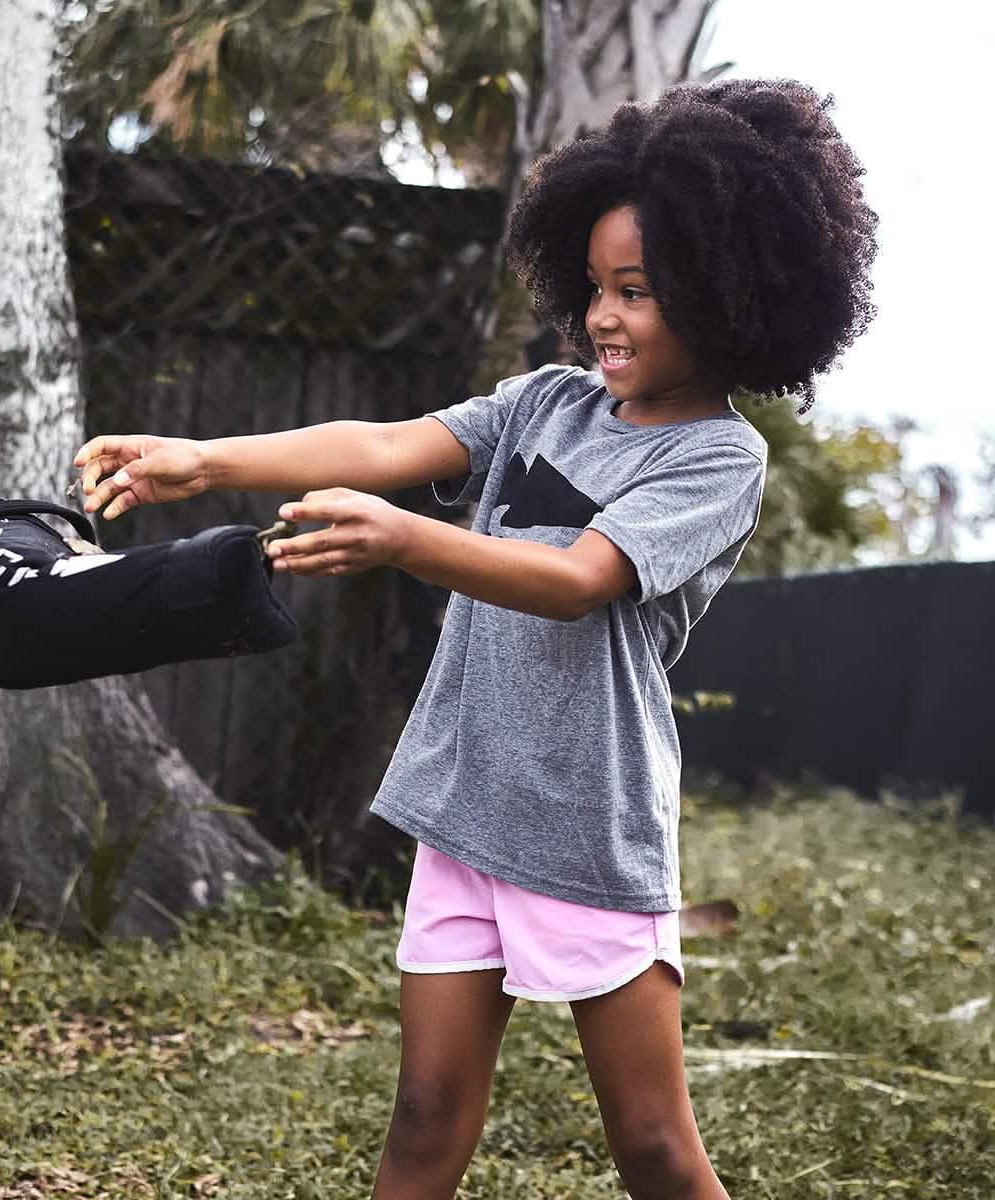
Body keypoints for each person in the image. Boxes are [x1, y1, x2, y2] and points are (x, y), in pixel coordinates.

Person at [74, 78, 876, 1200]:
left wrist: (407, 540)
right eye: (594, 286)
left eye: (638, 291)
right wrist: (204, 461)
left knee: (653, 1147)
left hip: (585, 820)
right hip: (464, 798)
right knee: (424, 1113)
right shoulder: (546, 402)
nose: (604, 317)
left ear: (730, 294)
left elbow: (578, 580)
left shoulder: (716, 458)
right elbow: (384, 442)